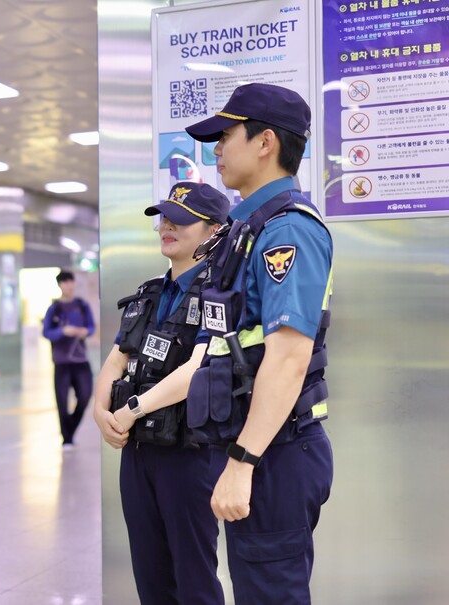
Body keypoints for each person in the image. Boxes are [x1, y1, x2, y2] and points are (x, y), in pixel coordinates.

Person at [184, 83, 334, 604]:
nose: (216, 149)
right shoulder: (249, 227)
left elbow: (290, 358)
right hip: (258, 443)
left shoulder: (288, 230)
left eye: (226, 136)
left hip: (275, 452)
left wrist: (243, 462)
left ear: (265, 141)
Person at [93, 183, 230, 604]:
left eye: (180, 219)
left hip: (190, 453)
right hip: (139, 453)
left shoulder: (220, 291)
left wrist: (130, 409)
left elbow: (198, 368)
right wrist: (101, 411)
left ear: (214, 230)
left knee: (194, 576)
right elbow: (117, 358)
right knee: (149, 574)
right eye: (164, 218)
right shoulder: (150, 292)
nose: (166, 226)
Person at [42, 270, 95, 448]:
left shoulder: (82, 305)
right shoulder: (54, 308)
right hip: (62, 361)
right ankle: (67, 438)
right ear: (59, 285)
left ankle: (70, 427)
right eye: (64, 282)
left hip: (80, 360)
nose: (68, 285)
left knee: (85, 395)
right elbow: (46, 332)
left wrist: (85, 332)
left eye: (70, 281)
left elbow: (91, 327)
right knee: (62, 401)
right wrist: (62, 332)